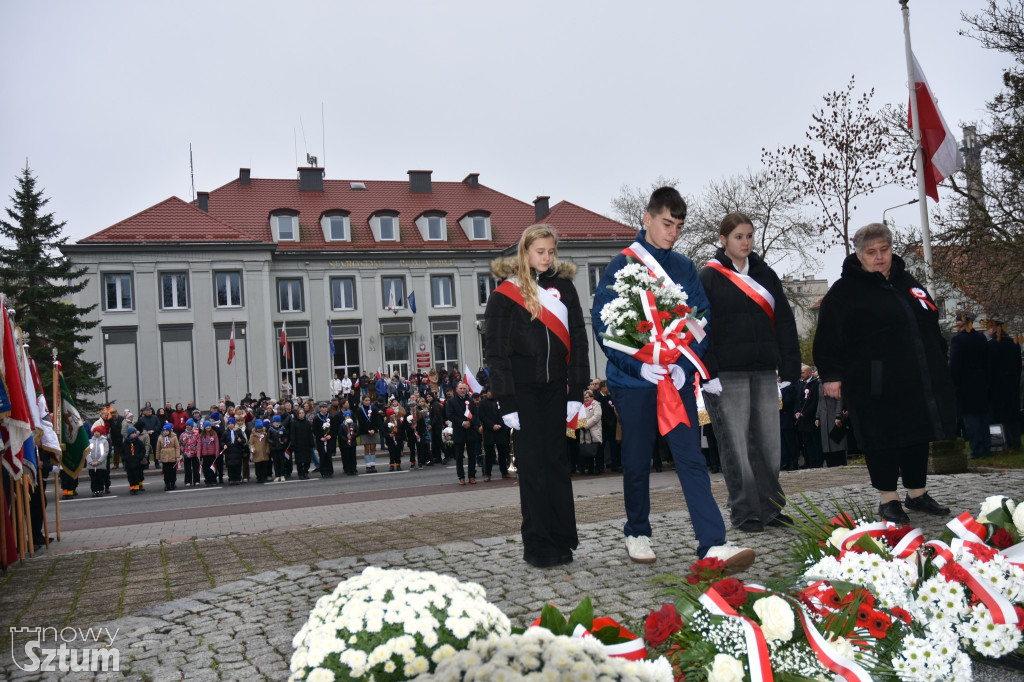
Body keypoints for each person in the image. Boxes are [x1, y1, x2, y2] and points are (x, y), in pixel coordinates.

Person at [592, 187, 754, 571]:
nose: (673, 232)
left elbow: (701, 320)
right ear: (647, 219)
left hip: (675, 379)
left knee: (690, 458)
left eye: (679, 226)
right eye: (667, 224)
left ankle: (712, 543)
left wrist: (686, 362)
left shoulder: (683, 267)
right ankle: (637, 530)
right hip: (633, 382)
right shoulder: (621, 264)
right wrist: (637, 366)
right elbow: (605, 325)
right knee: (635, 458)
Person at [814, 222, 954, 524]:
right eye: (871, 252)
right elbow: (827, 336)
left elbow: (929, 322)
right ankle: (887, 498)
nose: (879, 257)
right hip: (872, 379)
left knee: (917, 433)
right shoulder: (844, 291)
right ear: (859, 254)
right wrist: (831, 375)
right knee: (882, 437)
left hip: (915, 376)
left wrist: (938, 357)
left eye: (885, 250)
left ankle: (917, 493)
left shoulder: (907, 282)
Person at [486, 223, 590, 568]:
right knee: (532, 468)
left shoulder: (565, 288)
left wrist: (576, 390)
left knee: (558, 464)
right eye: (540, 251)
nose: (546, 258)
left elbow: (578, 340)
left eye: (551, 251)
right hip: (523, 388)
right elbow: (496, 351)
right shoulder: (505, 293)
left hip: (557, 386)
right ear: (525, 251)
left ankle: (563, 539)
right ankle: (538, 544)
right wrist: (506, 400)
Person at [698, 212, 800, 532]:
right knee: (736, 446)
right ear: (723, 239)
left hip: (765, 370)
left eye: (749, 236)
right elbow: (699, 327)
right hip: (727, 373)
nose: (745, 242)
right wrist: (708, 370)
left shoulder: (766, 275)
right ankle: (744, 511)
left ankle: (770, 508)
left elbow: (784, 321)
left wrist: (790, 365)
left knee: (769, 445)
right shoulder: (709, 277)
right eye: (738, 236)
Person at [988, 319, 1022, 451]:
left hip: (997, 387)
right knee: (1013, 416)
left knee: (999, 417)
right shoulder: (1014, 344)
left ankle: (1001, 443)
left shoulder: (991, 345)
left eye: (990, 328)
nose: (988, 331)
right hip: (1012, 385)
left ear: (995, 329)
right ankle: (1015, 442)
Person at [445, 382, 481, 485]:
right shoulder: (451, 402)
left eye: (464, 389)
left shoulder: (470, 400)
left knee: (472, 455)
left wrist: (470, 422)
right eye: (460, 388)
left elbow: (475, 414)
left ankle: (472, 476)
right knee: (459, 456)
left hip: (470, 431)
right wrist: (462, 423)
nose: (462, 390)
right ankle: (461, 477)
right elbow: (450, 415)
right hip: (459, 431)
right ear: (456, 390)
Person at [478, 389, 511, 481]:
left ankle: (504, 472)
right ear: (486, 392)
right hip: (489, 430)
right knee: (489, 453)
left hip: (500, 430)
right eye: (489, 391)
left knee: (502, 452)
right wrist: (492, 425)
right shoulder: (483, 403)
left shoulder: (500, 401)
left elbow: (505, 413)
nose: (491, 393)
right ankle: (488, 474)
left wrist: (500, 424)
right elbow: (482, 416)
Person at [794, 365, 822, 468]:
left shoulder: (815, 384)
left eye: (803, 372)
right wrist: (796, 412)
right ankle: (810, 462)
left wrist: (804, 413)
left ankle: (818, 462)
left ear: (810, 373)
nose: (801, 375)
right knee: (807, 442)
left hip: (811, 418)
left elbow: (814, 401)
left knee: (815, 441)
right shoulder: (801, 384)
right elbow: (798, 400)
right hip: (802, 420)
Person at [580, 389, 603, 475]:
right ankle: (590, 469)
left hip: (594, 431)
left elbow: (596, 417)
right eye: (584, 397)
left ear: (591, 397)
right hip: (585, 432)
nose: (586, 399)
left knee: (597, 450)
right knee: (588, 451)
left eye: (587, 397)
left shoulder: (596, 405)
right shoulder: (582, 406)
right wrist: (582, 425)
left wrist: (586, 425)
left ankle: (598, 468)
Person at [355, 395, 381, 473]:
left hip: (373, 431)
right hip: (364, 432)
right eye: (366, 400)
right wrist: (367, 430)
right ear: (363, 401)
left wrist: (374, 429)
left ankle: (373, 465)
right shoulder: (360, 410)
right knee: (366, 448)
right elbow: (360, 422)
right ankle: (368, 465)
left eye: (368, 400)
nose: (367, 402)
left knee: (372, 448)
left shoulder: (373, 408)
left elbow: (376, 420)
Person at [313, 402, 337, 477]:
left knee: (328, 456)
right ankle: (323, 471)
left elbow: (334, 428)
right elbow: (314, 430)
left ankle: (330, 470)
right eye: (322, 407)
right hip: (321, 440)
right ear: (320, 408)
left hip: (329, 440)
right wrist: (320, 437)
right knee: (322, 456)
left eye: (325, 407)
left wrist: (330, 435)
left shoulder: (330, 417)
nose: (324, 409)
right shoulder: (317, 418)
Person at [155, 422, 180, 491]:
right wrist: (158, 458)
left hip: (172, 457)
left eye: (167, 431)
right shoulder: (160, 438)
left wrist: (177, 456)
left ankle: (173, 483)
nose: (165, 432)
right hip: (164, 458)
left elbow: (177, 447)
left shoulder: (174, 437)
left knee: (172, 472)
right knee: (166, 472)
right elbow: (158, 449)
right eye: (164, 431)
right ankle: (167, 484)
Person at [222, 417, 247, 484]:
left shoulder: (238, 431)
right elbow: (222, 441)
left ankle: (237, 478)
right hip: (229, 452)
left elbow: (244, 440)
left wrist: (240, 440)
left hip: (237, 451)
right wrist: (224, 445)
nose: (231, 425)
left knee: (237, 466)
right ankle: (231, 479)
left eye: (232, 424)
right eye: (229, 424)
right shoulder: (225, 432)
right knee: (230, 467)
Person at [290, 408, 314, 479]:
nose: (301, 414)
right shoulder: (294, 423)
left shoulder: (307, 422)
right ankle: (300, 473)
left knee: (307, 460)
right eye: (300, 413)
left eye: (303, 413)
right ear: (298, 414)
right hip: (298, 444)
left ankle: (306, 472)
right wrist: (293, 444)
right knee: (299, 461)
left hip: (306, 444)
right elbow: (292, 434)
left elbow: (310, 433)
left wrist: (311, 442)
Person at [87, 424, 110, 497]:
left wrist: (99, 461)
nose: (96, 433)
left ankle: (100, 490)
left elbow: (105, 452)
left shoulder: (104, 441)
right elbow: (87, 453)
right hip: (91, 465)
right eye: (95, 432)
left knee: (100, 478)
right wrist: (91, 461)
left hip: (100, 465)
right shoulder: (90, 441)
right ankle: (94, 490)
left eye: (98, 431)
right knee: (93, 479)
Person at [122, 426, 147, 495]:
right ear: (129, 434)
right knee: (130, 476)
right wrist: (125, 458)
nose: (134, 435)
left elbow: (143, 450)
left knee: (137, 475)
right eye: (132, 433)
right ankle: (132, 488)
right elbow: (122, 452)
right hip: (129, 463)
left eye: (134, 433)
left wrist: (140, 457)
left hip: (136, 462)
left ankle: (136, 488)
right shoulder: (125, 443)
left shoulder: (138, 442)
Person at [268, 414, 291, 481]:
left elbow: (286, 437)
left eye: (278, 422)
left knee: (282, 462)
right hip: (274, 449)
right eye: (275, 422)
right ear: (273, 422)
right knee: (276, 463)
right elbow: (268, 438)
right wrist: (272, 443)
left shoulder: (283, 429)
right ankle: (277, 475)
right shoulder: (271, 429)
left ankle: (282, 475)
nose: (277, 424)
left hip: (281, 448)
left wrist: (284, 441)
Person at [197, 420, 220, 486]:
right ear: (204, 427)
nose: (208, 427)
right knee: (206, 468)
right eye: (206, 426)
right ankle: (207, 480)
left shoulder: (214, 433)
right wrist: (199, 455)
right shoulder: (202, 435)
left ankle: (213, 479)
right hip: (205, 455)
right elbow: (199, 445)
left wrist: (217, 453)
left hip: (212, 454)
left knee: (212, 468)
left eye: (209, 426)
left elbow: (216, 444)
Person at [180, 418, 201, 486]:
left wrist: (197, 452)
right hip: (186, 454)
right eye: (187, 425)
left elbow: (198, 443)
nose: (188, 427)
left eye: (189, 425)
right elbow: (181, 443)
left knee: (195, 468)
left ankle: (196, 480)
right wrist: (183, 451)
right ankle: (188, 481)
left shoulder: (196, 434)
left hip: (194, 454)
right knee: (187, 469)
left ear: (192, 426)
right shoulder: (183, 434)